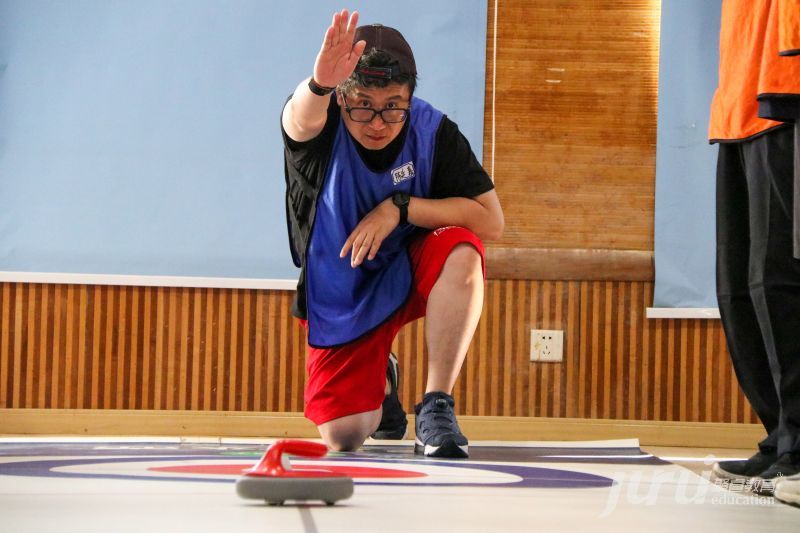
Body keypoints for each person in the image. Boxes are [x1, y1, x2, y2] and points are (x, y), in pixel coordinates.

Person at [281, 9, 503, 458]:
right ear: (343, 98)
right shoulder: (321, 125)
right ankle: (383, 380)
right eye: (363, 104)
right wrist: (320, 84)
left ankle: (436, 405)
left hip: (407, 269)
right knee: (344, 436)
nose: (378, 121)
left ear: (409, 97)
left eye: (393, 106)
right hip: (344, 286)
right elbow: (298, 121)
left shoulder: (432, 130)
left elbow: (490, 221)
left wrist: (401, 208)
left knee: (464, 250)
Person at [709, 0, 800, 495]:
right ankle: (782, 434)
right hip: (740, 99)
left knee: (783, 277)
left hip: (790, 85)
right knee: (743, 285)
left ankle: (798, 446)